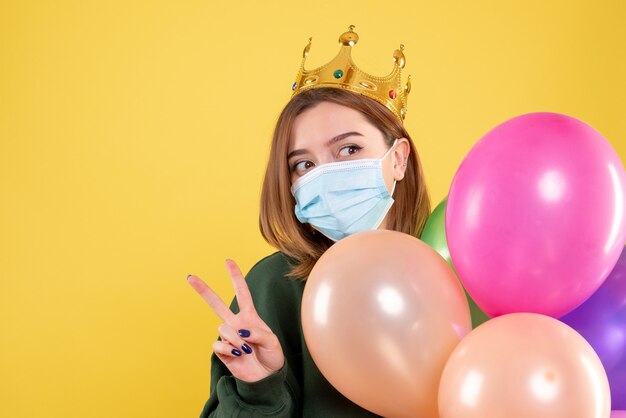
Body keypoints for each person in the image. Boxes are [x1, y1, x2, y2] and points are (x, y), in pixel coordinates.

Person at [186, 26, 431, 417]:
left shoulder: (459, 271)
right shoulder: (273, 289)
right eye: (304, 164)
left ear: (398, 158)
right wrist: (259, 390)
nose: (326, 174)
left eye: (349, 148)